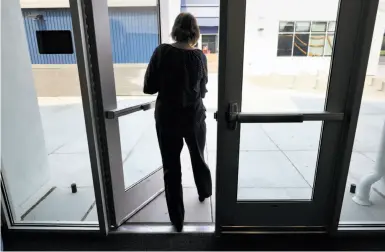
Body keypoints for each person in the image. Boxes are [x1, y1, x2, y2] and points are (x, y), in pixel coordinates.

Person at [143, 12, 212, 232]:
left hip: (167, 118)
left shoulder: (161, 52)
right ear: (195, 32)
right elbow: (202, 91)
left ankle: (178, 219)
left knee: (171, 167)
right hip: (193, 117)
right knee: (198, 157)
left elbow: (149, 87)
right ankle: (204, 192)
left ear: (175, 29)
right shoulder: (200, 57)